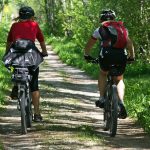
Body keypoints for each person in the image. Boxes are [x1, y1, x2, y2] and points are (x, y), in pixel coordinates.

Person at [84, 10, 135, 119]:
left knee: (103, 73)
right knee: (119, 79)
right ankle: (121, 102)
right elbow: (129, 43)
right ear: (114, 19)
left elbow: (89, 45)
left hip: (106, 55)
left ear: (101, 20)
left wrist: (86, 55)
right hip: (121, 55)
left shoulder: (100, 29)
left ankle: (102, 98)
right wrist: (132, 56)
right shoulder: (122, 29)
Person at [5, 6, 48, 122]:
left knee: (14, 67)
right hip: (31, 55)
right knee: (34, 85)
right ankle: (37, 114)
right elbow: (41, 40)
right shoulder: (34, 25)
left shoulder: (14, 26)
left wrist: (6, 54)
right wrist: (44, 52)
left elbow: (9, 42)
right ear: (31, 16)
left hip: (16, 55)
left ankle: (16, 85)